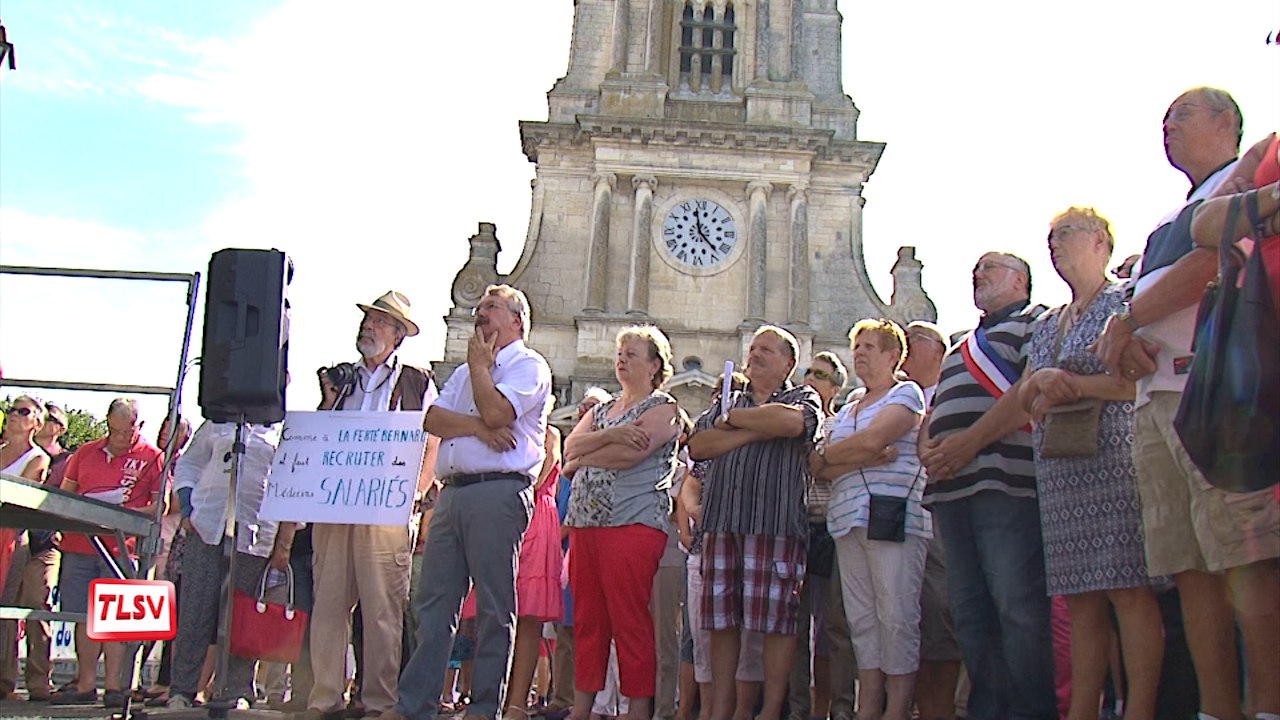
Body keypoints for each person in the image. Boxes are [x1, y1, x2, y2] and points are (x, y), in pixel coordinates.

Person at [1092, 88, 1279, 720]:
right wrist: (1127, 339)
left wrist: (1127, 321)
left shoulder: (1243, 183)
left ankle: (1267, 705)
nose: (1166, 126)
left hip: (1217, 397)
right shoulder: (1168, 220)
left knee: (1245, 558)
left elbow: (1209, 265)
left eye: (1181, 115)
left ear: (1226, 122)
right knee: (1190, 569)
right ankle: (1216, 709)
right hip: (1157, 402)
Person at [1021, 208, 1165, 720]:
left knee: (1128, 590)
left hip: (1115, 460)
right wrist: (1041, 384)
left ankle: (1139, 710)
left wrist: (1073, 385)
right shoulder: (1048, 322)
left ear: (1101, 241)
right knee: (1080, 598)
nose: (1054, 245)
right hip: (1061, 470)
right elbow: (1026, 393)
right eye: (1050, 237)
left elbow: (1140, 381)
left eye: (1065, 234)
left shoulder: (1125, 303)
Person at [385, 284, 553, 720]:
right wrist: (478, 428)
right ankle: (414, 705)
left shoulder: (528, 366)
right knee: (433, 605)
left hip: (498, 490)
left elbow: (498, 412)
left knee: (495, 608)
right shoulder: (463, 372)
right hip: (453, 493)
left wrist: (480, 371)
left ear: (517, 320)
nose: (480, 314)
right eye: (478, 307)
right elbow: (433, 419)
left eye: (491, 307)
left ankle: (483, 708)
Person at [286, 290, 439, 720]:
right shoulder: (343, 378)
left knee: (382, 609)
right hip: (336, 505)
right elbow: (320, 435)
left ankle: (379, 700)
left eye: (379, 321)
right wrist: (328, 399)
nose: (369, 326)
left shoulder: (416, 381)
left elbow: (432, 440)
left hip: (385, 509)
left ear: (398, 335)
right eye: (368, 319)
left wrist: (414, 495)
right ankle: (325, 697)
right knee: (329, 604)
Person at [917, 254, 1057, 720]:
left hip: (1006, 486)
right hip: (951, 490)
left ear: (1020, 280)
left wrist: (968, 443)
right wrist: (928, 449)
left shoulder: (1038, 323)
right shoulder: (961, 346)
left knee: (1017, 606)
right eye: (977, 268)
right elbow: (935, 412)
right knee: (970, 614)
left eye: (991, 267)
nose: (978, 274)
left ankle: (1030, 712)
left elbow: (1030, 394)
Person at [688, 325, 821, 720]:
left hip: (775, 526)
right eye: (753, 348)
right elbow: (699, 445)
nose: (755, 354)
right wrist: (751, 431)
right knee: (722, 622)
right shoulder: (729, 399)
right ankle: (721, 710)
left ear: (789, 363)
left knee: (777, 623)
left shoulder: (802, 396)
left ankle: (770, 710)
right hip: (721, 524)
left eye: (767, 350)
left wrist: (733, 422)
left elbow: (792, 424)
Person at [562, 325, 683, 720]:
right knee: (588, 620)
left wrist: (586, 453)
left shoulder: (663, 409)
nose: (622, 360)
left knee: (629, 619)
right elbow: (569, 448)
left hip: (632, 525)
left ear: (654, 365)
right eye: (620, 353)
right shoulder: (602, 410)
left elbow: (630, 456)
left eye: (632, 354)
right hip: (586, 524)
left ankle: (637, 709)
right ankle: (582, 709)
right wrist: (612, 436)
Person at [812, 320, 927, 720]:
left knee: (896, 615)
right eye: (856, 346)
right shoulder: (848, 408)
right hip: (848, 522)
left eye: (869, 347)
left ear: (893, 355)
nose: (859, 353)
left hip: (893, 517)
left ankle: (896, 711)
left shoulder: (906, 394)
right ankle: (868, 708)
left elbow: (874, 439)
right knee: (861, 619)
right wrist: (861, 456)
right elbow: (818, 467)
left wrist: (842, 453)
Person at [50, 398, 164, 709]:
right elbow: (66, 494)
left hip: (122, 549)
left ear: (138, 426)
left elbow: (160, 506)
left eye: (127, 431)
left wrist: (123, 514)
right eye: (115, 431)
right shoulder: (85, 452)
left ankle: (114, 686)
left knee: (116, 618)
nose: (121, 438)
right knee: (82, 616)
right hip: (80, 544)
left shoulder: (152, 457)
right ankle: (85, 683)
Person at [164, 419, 282, 710]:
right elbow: (189, 463)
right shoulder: (216, 422)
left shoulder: (280, 430)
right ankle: (183, 689)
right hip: (207, 524)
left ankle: (235, 689)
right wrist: (187, 506)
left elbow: (290, 480)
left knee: (242, 616)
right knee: (195, 610)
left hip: (255, 532)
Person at [787, 351, 857, 720]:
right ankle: (798, 708)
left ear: (835, 388)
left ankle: (840, 708)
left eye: (820, 375)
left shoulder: (841, 426)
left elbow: (833, 469)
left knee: (836, 625)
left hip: (831, 526)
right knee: (794, 626)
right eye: (808, 373)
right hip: (797, 526)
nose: (811, 379)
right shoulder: (792, 425)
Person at [899, 323, 964, 720]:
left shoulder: (949, 394)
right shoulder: (894, 396)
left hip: (938, 516)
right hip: (901, 525)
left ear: (937, 351)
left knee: (939, 616)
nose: (902, 352)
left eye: (911, 344)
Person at [547, 387, 614, 720]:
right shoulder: (568, 462)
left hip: (582, 551)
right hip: (560, 555)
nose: (580, 413)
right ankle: (561, 697)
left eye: (590, 408)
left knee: (583, 628)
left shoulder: (597, 462)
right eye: (581, 408)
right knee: (563, 632)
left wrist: (556, 536)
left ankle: (583, 701)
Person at [502, 424, 564, 720]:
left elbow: (537, 479)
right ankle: (493, 698)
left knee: (528, 618)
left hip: (535, 517)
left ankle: (516, 703)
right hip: (503, 517)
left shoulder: (550, 434)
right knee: (497, 613)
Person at [0, 396, 52, 702]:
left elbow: (18, 496)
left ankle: (4, 680)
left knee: (6, 607)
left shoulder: (38, 458)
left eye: (23, 411)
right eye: (11, 410)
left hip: (11, 536)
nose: (14, 415)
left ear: (37, 422)